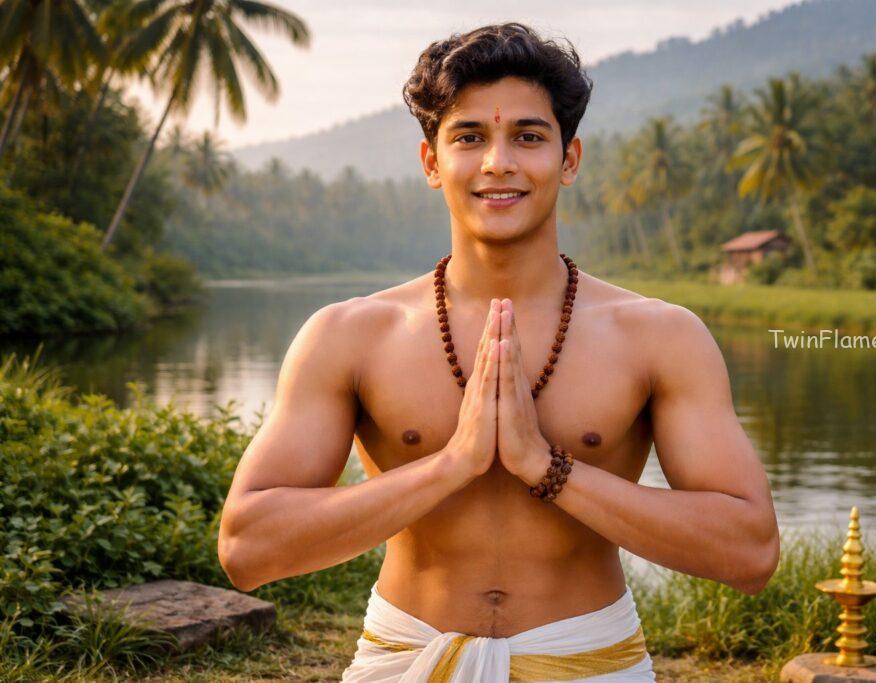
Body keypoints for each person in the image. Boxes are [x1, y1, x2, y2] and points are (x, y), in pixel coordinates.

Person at [217, 22, 780, 682]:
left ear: (569, 160)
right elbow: (247, 546)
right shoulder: (350, 334)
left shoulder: (658, 336)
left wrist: (547, 466)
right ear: (431, 161)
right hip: (405, 658)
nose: (498, 162)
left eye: (529, 136)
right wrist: (449, 464)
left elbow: (750, 549)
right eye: (469, 137)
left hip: (590, 661)